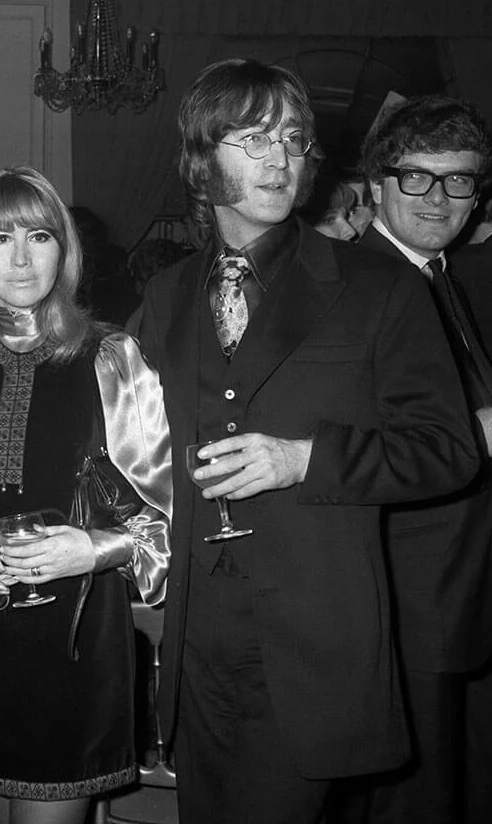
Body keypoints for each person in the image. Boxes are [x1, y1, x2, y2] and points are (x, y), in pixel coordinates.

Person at [130, 59, 479, 824]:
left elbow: (447, 449)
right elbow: (124, 437)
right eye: (254, 139)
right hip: (196, 634)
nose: (280, 159)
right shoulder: (167, 293)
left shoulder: (378, 288)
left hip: (314, 635)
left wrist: (304, 460)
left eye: (292, 139)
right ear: (202, 158)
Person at [0, 166, 172, 824]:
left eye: (39, 236)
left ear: (63, 251)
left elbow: (164, 517)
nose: (20, 258)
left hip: (73, 639)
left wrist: (95, 549)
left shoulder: (113, 357)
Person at [345, 93, 492, 824]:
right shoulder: (352, 285)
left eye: (458, 180)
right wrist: (476, 431)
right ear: (376, 186)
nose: (438, 198)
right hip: (408, 599)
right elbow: (345, 441)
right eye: (417, 177)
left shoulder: (441, 276)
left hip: (463, 590)